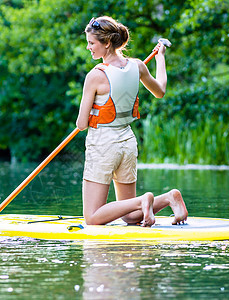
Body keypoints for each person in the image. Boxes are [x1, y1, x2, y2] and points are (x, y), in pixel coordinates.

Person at [76, 16, 188, 227]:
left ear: (106, 43)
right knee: (130, 215)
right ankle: (168, 198)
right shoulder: (137, 66)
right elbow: (160, 91)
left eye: (92, 43)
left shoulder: (95, 76)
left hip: (103, 145)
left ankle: (143, 200)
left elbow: (81, 124)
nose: (88, 47)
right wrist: (160, 58)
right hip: (127, 142)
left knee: (92, 217)